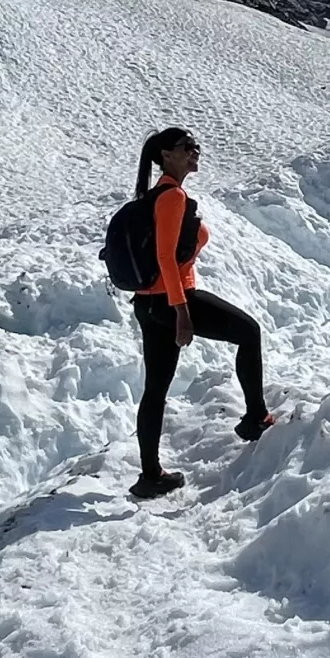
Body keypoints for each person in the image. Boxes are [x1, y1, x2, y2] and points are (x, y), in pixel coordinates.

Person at [128, 126, 272, 498]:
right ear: (165, 155)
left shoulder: (153, 196)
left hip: (147, 303)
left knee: (155, 390)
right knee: (249, 332)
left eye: (196, 147)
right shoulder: (172, 197)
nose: (195, 152)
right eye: (186, 147)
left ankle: (150, 475)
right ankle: (256, 418)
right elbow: (164, 258)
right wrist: (182, 312)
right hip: (172, 300)